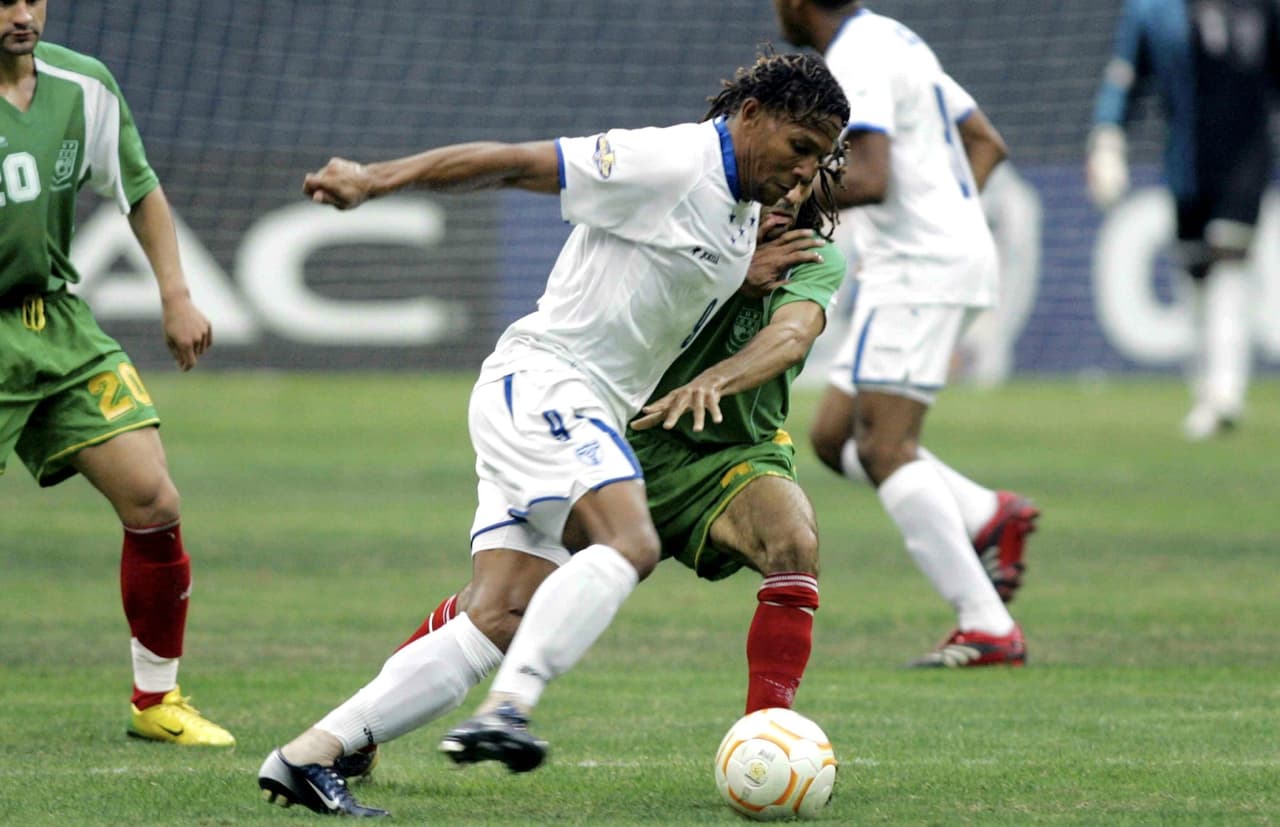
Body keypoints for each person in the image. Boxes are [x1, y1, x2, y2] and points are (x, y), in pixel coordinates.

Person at [256, 51, 849, 817]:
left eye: (820, 159)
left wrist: (741, 275)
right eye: (799, 148)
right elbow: (512, 164)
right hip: (547, 384)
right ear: (752, 115)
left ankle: (309, 754)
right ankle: (509, 709)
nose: (805, 173)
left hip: (567, 401)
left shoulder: (745, 217)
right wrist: (376, 180)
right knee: (628, 543)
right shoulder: (667, 159)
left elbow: (664, 280)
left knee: (501, 611)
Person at [773, 0, 1038, 668]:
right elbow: (988, 143)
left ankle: (987, 625)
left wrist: (781, 205)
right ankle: (987, 513)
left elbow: (869, 176)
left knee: (886, 447)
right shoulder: (896, 38)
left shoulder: (856, 56)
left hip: (918, 270)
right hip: (926, 262)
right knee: (835, 437)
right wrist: (950, 224)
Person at [0, 1, 233, 746]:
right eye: (5, 0)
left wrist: (176, 294)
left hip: (56, 325)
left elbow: (138, 189)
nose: (20, 14)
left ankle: (156, 701)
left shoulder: (82, 85)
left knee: (153, 496)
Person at [1086, 0, 1280, 441]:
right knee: (1195, 275)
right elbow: (1124, 78)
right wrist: (1107, 140)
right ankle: (1205, 389)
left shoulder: (1262, 8)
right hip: (1187, 167)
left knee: (1229, 262)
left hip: (1246, 160)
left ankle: (1226, 391)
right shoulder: (1155, 11)